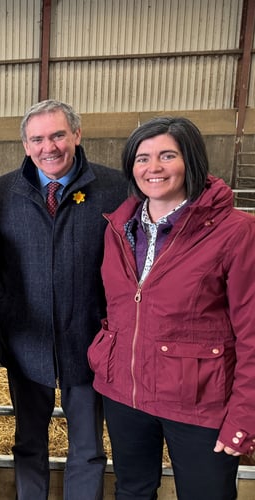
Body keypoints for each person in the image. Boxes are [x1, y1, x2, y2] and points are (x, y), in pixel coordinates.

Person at [87, 116, 255, 500]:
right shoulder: (119, 228)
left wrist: (245, 413)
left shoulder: (235, 232)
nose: (154, 168)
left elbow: (252, 330)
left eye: (167, 155)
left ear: (191, 160)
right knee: (132, 491)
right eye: (142, 158)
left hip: (197, 397)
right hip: (126, 393)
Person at [0, 99, 127, 500]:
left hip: (89, 340)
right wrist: (5, 311)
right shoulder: (4, 192)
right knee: (28, 442)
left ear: (76, 135)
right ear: (26, 145)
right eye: (38, 138)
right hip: (27, 342)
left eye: (58, 135)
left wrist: (113, 322)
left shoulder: (114, 189)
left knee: (89, 447)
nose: (50, 147)